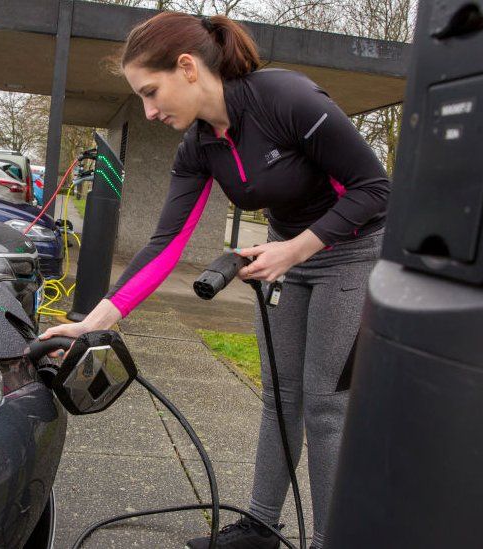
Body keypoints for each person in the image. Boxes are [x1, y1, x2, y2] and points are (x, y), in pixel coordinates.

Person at [40, 11, 390, 549]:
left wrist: (293, 251)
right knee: (279, 397)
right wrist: (93, 322)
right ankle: (260, 526)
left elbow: (375, 189)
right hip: (286, 257)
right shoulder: (199, 145)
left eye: (152, 93)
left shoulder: (288, 100)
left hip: (353, 252)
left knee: (324, 405)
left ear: (187, 68)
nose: (150, 111)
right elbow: (165, 244)